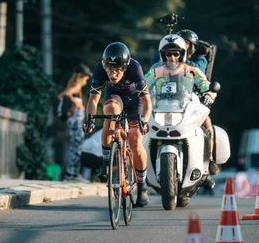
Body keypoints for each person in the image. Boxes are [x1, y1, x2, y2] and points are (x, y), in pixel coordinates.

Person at [84, 42, 152, 207]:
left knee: (135, 141)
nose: (112, 74)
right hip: (115, 97)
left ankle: (142, 186)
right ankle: (106, 162)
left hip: (135, 101)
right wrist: (90, 119)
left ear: (125, 67)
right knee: (110, 113)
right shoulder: (100, 68)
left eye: (117, 70)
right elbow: (93, 99)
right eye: (109, 69)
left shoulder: (135, 68)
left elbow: (147, 102)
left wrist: (144, 121)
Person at [145, 35, 218, 178]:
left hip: (185, 109)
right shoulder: (155, 72)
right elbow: (143, 85)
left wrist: (210, 94)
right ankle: (137, 169)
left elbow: (205, 85)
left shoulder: (191, 71)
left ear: (182, 55)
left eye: (175, 54)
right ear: (162, 55)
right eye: (168, 54)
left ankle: (208, 162)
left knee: (205, 124)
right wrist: (137, 93)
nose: (172, 57)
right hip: (160, 109)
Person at [58, 64, 92, 182]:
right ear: (81, 76)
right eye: (86, 77)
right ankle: (72, 174)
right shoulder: (76, 85)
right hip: (75, 121)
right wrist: (76, 103)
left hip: (73, 121)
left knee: (74, 147)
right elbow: (65, 94)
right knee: (76, 147)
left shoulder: (72, 84)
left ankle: (71, 174)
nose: (87, 80)